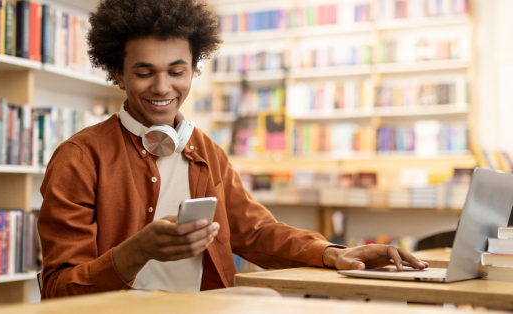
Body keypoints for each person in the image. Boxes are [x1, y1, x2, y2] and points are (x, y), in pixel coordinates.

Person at [37, 0, 428, 299]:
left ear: (194, 70)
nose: (162, 87)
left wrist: (333, 254)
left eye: (176, 71)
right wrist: (134, 252)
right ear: (118, 74)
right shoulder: (79, 158)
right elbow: (58, 287)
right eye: (144, 72)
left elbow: (256, 233)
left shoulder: (205, 151)